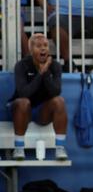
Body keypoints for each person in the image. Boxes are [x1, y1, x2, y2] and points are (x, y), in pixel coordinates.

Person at [7, 33, 68, 161]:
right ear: (30, 50)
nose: (43, 48)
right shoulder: (21, 65)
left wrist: (45, 72)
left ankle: (60, 148)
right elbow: (24, 93)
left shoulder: (55, 66)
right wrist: (40, 73)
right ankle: (19, 148)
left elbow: (56, 92)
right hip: (23, 111)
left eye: (45, 45)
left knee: (59, 101)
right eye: (38, 46)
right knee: (23, 102)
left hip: (42, 112)